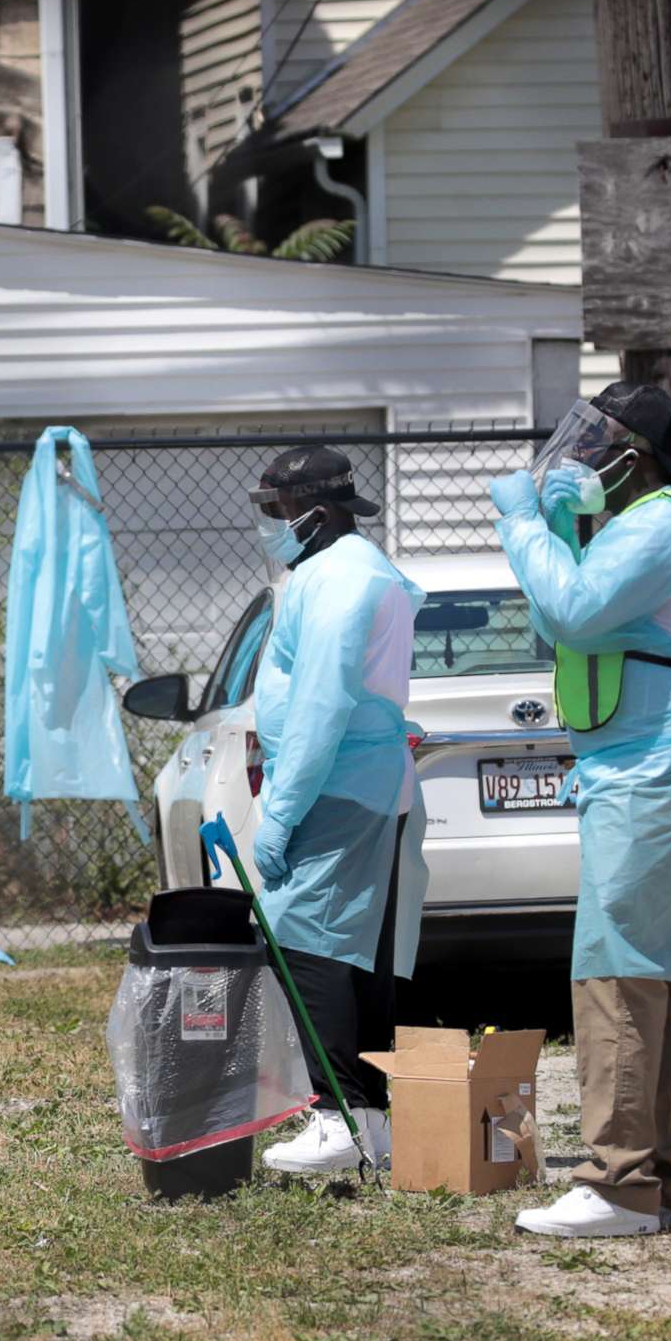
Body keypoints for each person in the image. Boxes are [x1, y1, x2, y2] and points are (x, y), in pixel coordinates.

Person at [488, 381, 671, 1239]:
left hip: (653, 776)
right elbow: (567, 617)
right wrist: (560, 532)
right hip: (653, 766)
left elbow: (570, 609)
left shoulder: (660, 522)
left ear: (634, 458)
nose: (581, 455)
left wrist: (526, 523)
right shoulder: (652, 523)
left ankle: (618, 1184)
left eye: (598, 441)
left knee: (616, 977)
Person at [239, 446, 429, 1177]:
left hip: (336, 786)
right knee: (356, 956)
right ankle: (371, 1126)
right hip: (361, 781)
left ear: (316, 513)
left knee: (307, 948)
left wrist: (282, 813)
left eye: (279, 511)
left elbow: (321, 705)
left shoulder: (341, 581)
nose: (272, 524)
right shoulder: (349, 570)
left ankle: (335, 1117)